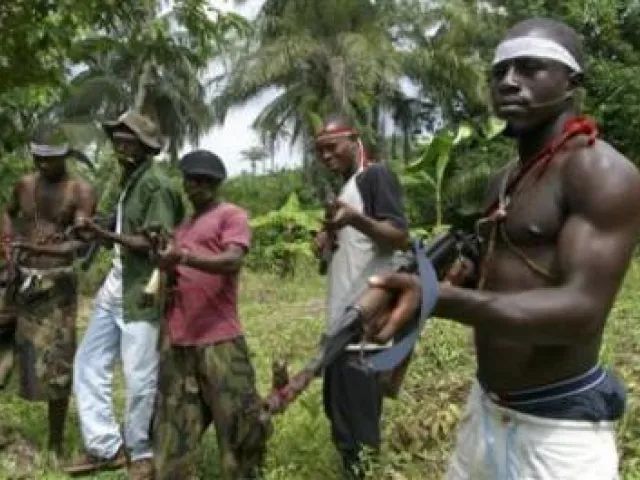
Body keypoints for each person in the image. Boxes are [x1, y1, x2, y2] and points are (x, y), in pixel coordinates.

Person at [365, 18, 640, 479]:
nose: (509, 81)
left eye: (530, 68)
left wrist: (440, 298)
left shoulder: (599, 170)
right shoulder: (505, 179)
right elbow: (503, 272)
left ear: (572, 82)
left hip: (557, 430)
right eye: (500, 71)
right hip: (487, 410)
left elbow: (582, 312)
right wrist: (441, 277)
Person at [65, 111, 184, 479]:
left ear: (146, 147)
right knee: (88, 362)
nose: (120, 143)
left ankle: (141, 452)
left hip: (143, 293)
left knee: (139, 376)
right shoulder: (129, 180)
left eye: (128, 139)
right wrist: (92, 230)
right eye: (117, 137)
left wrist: (104, 237)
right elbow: (116, 228)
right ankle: (106, 446)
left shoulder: (156, 185)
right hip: (115, 288)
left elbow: (155, 245)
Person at [151, 149, 267, 479]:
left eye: (206, 181)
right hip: (179, 340)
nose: (198, 186)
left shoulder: (232, 215)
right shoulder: (181, 227)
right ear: (185, 183)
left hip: (220, 340)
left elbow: (232, 261)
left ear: (216, 185)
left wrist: (183, 258)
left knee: (240, 429)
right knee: (174, 429)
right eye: (192, 180)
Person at [313, 114, 409, 479]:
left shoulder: (375, 177)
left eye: (332, 147)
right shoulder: (347, 188)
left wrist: (354, 220)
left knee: (361, 434)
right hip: (341, 325)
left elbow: (398, 235)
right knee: (340, 423)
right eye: (319, 151)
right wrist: (325, 242)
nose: (326, 156)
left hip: (366, 331)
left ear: (354, 140)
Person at [0, 125, 96, 456]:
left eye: (51, 160)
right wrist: (10, 244)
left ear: (66, 156)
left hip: (57, 284)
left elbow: (83, 241)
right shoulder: (24, 185)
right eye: (38, 159)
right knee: (5, 353)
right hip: (19, 280)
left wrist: (55, 248)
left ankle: (55, 442)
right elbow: (7, 213)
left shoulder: (79, 190)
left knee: (57, 366)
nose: (43, 166)